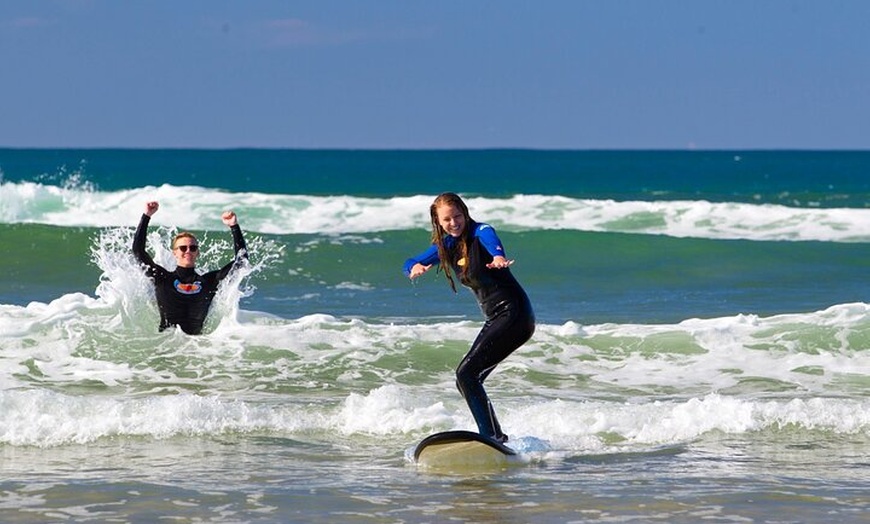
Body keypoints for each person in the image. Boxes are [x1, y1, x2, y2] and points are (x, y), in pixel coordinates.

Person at [403, 192, 535, 443]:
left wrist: (498, 257)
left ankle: (491, 437)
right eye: (447, 220)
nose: (454, 223)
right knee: (467, 380)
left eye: (457, 216)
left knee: (466, 375)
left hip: (514, 314)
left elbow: (491, 239)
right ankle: (497, 438)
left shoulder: (480, 232)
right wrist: (413, 268)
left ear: (465, 213)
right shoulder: (448, 245)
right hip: (497, 318)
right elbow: (411, 260)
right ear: (438, 222)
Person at [132, 201, 248, 335]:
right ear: (174, 252)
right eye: (183, 248)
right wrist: (146, 216)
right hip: (167, 344)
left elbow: (242, 261)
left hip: (196, 347)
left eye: (193, 248)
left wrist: (234, 226)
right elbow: (138, 251)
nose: (188, 251)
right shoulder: (162, 278)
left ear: (197, 252)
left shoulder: (209, 281)